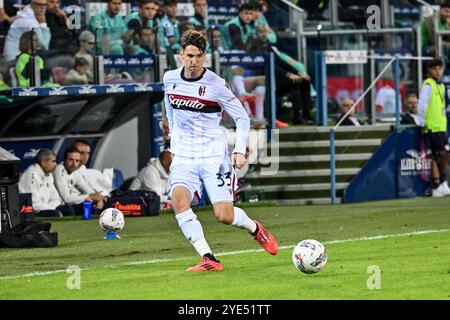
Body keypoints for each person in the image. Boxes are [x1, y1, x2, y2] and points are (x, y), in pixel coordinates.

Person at [164, 30, 278, 272]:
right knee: (178, 200)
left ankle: (255, 229)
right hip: (184, 155)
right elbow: (169, 106)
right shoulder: (170, 78)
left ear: (205, 57)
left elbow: (242, 118)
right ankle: (208, 258)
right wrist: (174, 137)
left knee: (224, 215)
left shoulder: (216, 84)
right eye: (189, 56)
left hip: (213, 156)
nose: (193, 62)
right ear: (181, 55)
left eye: (198, 56)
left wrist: (238, 150)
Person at [418, 58, 450, 197]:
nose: (438, 71)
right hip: (432, 126)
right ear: (429, 70)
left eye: (440, 68)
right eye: (435, 69)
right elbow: (422, 104)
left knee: (437, 156)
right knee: (444, 154)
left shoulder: (441, 86)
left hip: (440, 126)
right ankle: (440, 182)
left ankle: (438, 184)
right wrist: (422, 122)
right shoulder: (428, 85)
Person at [18, 149, 73, 217]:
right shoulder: (31, 175)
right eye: (53, 161)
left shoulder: (48, 174)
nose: (55, 164)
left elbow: (56, 198)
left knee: (68, 210)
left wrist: (52, 207)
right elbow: (35, 205)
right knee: (56, 214)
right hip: (33, 212)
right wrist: (52, 209)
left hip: (48, 208)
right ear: (43, 163)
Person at [53, 147, 106, 214]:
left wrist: (99, 199)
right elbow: (66, 199)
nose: (74, 164)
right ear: (64, 160)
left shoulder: (74, 171)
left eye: (77, 161)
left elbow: (88, 190)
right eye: (71, 160)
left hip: (67, 205)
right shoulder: (59, 170)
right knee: (69, 209)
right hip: (54, 206)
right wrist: (90, 197)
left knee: (93, 204)